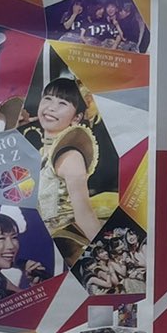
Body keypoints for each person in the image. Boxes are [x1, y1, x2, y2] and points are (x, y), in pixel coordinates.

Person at [33, 76, 117, 266]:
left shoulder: (70, 156)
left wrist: (110, 258)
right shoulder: (42, 153)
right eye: (48, 99)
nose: (51, 107)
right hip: (45, 242)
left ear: (77, 117)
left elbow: (84, 214)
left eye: (62, 103)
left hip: (68, 243)